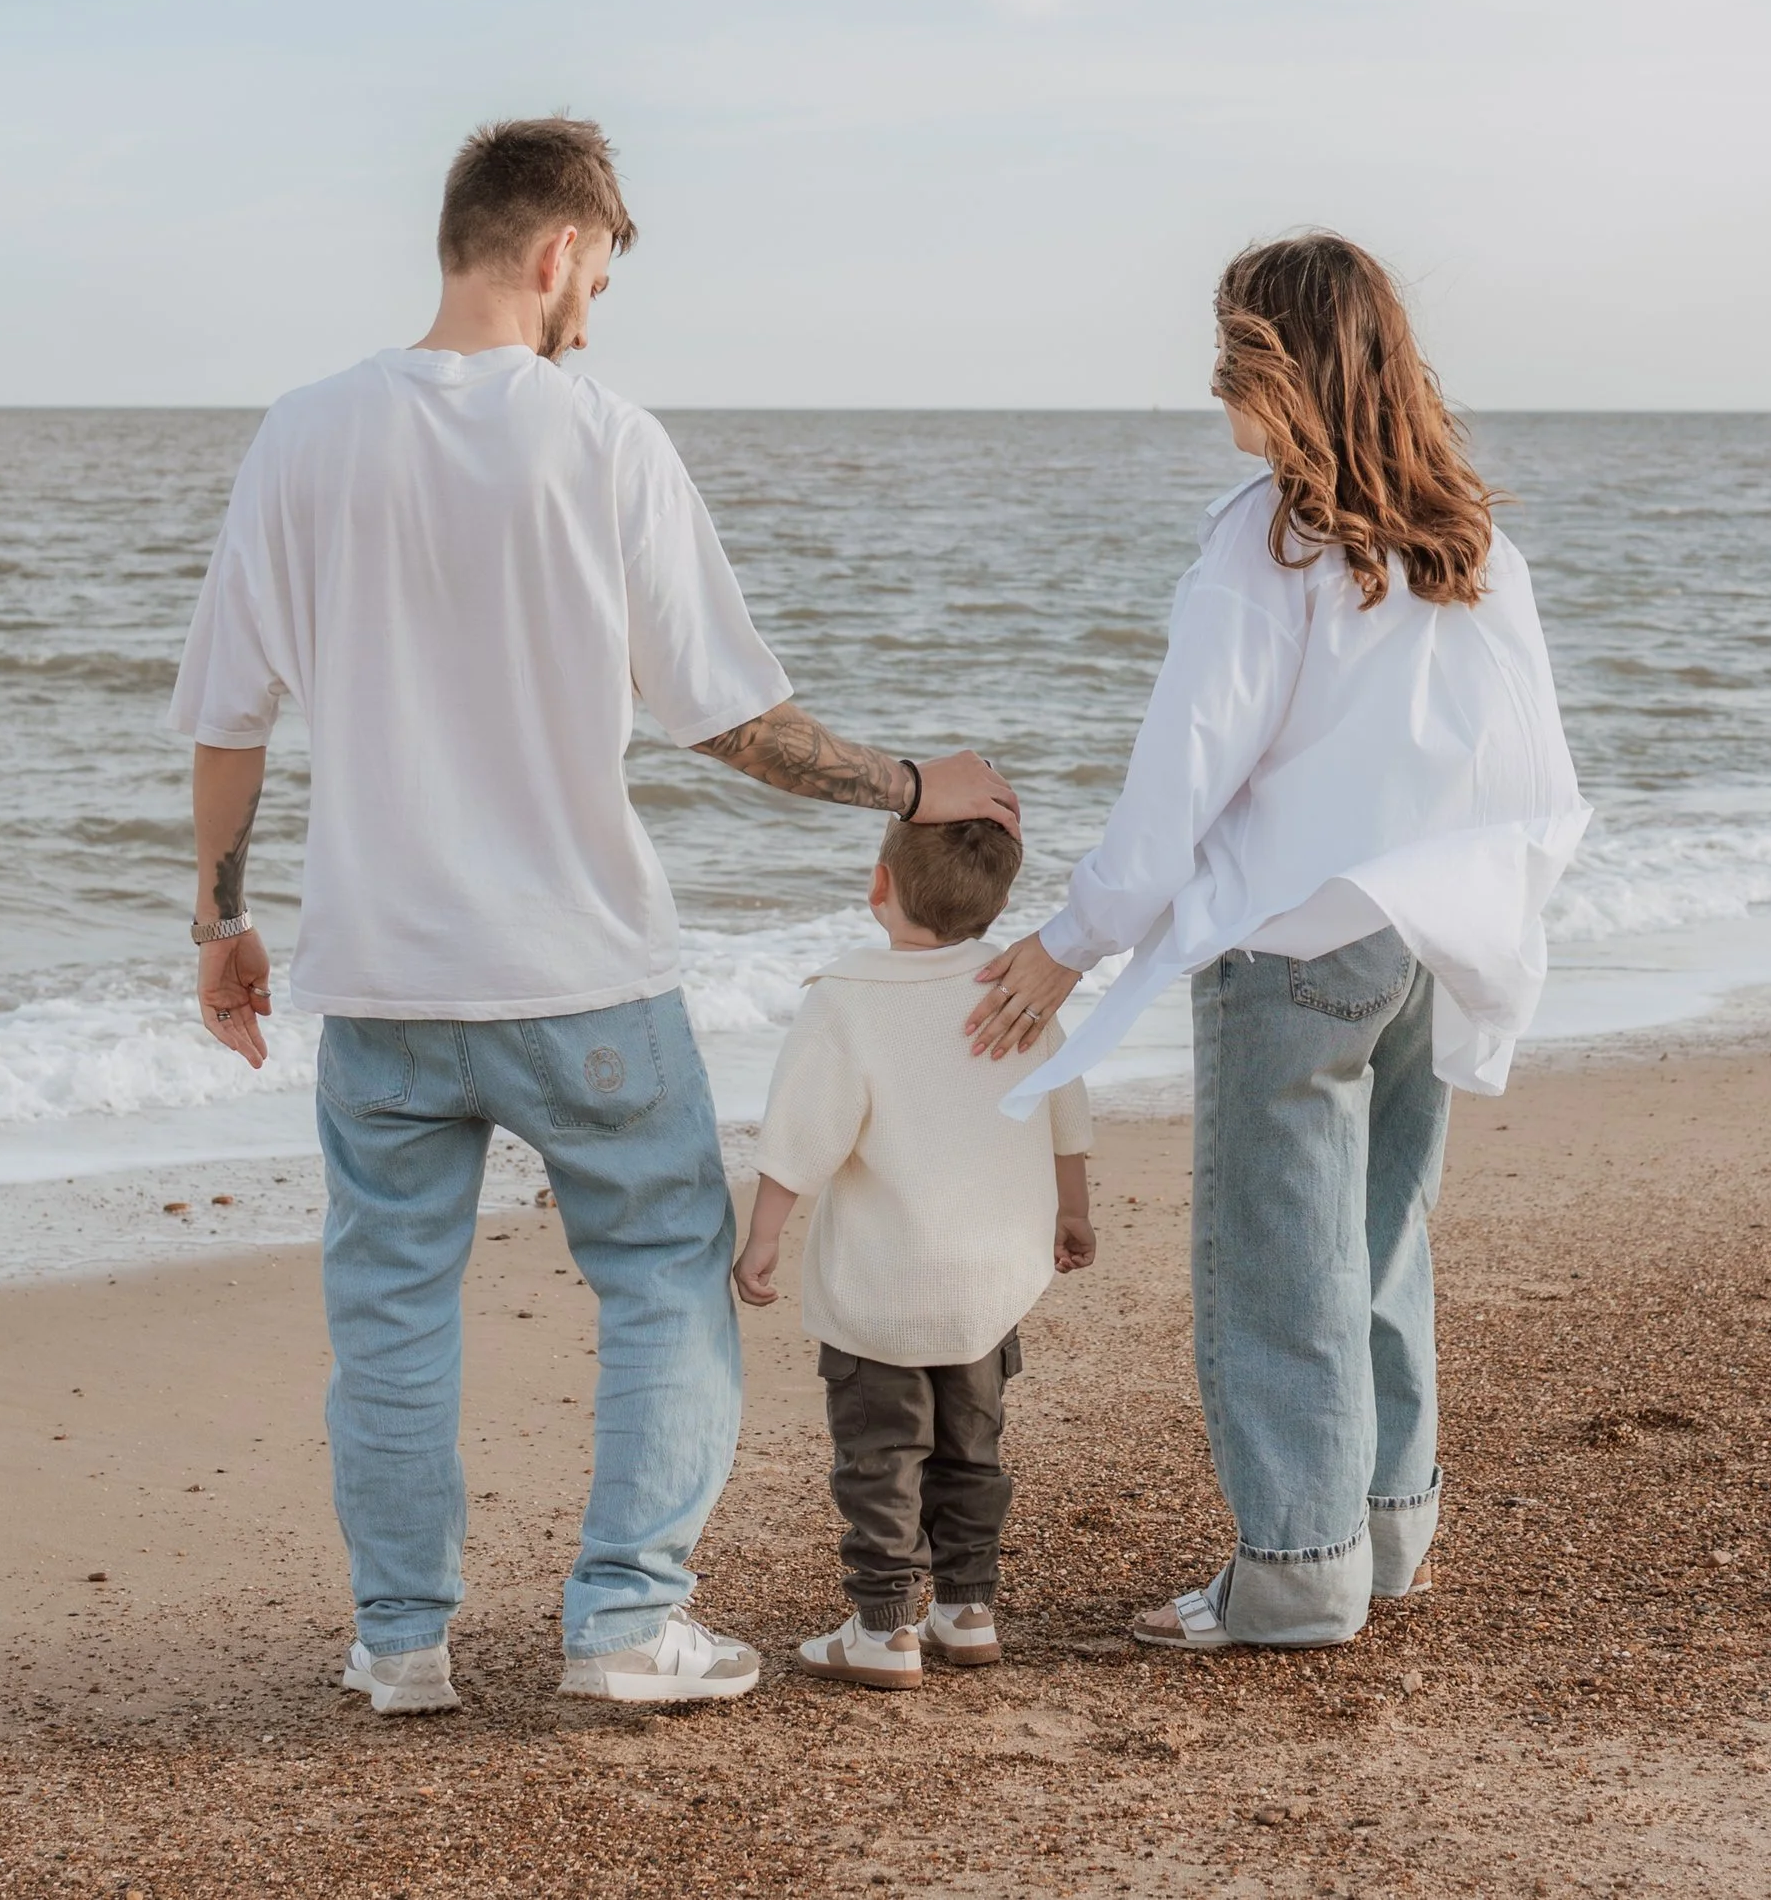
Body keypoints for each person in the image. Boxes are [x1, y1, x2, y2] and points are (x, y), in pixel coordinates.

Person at [167, 115, 1018, 1714]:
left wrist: (218, 924)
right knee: (662, 1279)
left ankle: (403, 1644)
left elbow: (230, 717)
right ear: (557, 249)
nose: (593, 315)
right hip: (581, 977)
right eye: (600, 279)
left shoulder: (302, 436)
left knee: (393, 1311)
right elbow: (735, 724)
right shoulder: (606, 438)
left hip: (385, 985)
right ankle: (626, 1620)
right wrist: (917, 786)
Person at [968, 232, 1586, 1653]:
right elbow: (1527, 765)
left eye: (1231, 345)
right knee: (1375, 1245)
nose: (1210, 376)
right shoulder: (1473, 541)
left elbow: (1184, 768)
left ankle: (1302, 1574)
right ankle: (1385, 1536)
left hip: (1294, 950)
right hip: (1424, 937)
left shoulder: (1270, 537)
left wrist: (1074, 940)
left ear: (1283, 364)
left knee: (1274, 1263)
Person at [731, 813, 1095, 1690]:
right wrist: (1074, 1211)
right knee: (974, 1446)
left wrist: (764, 1236)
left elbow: (802, 1132)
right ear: (1000, 900)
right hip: (985, 1281)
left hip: (882, 1285)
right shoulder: (1019, 988)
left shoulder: (847, 997)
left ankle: (882, 1626)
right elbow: (1064, 1104)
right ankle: (968, 1609)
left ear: (878, 886)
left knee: (880, 1455)